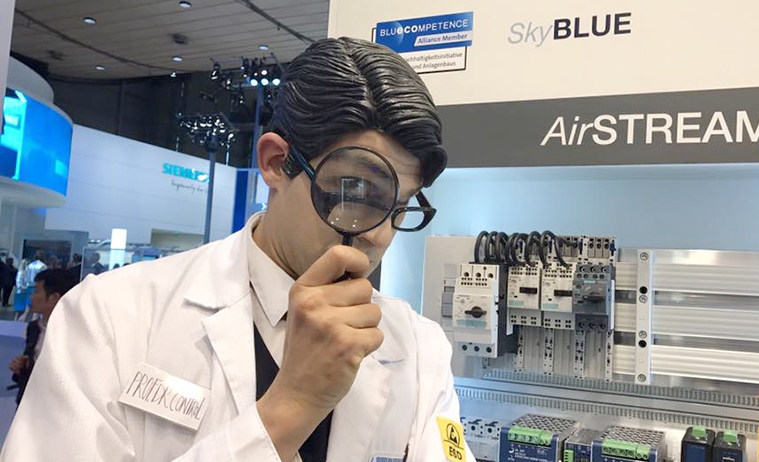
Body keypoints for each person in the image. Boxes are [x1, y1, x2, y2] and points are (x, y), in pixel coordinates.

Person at [0, 37, 474, 462]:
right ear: (276, 163)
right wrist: (291, 407)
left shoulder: (419, 348)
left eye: (400, 208)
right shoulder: (109, 316)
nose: (380, 235)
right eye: (357, 192)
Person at [8, 269, 77, 405]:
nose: (31, 297)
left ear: (53, 298)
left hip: (58, 405)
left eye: (36, 292)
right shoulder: (34, 328)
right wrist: (21, 366)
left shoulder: (75, 333)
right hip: (29, 403)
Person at [14, 252, 47, 321]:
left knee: (27, 309)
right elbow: (44, 278)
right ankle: (33, 324)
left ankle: (20, 322)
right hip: (37, 288)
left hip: (29, 287)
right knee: (36, 310)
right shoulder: (43, 266)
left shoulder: (29, 266)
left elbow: (25, 277)